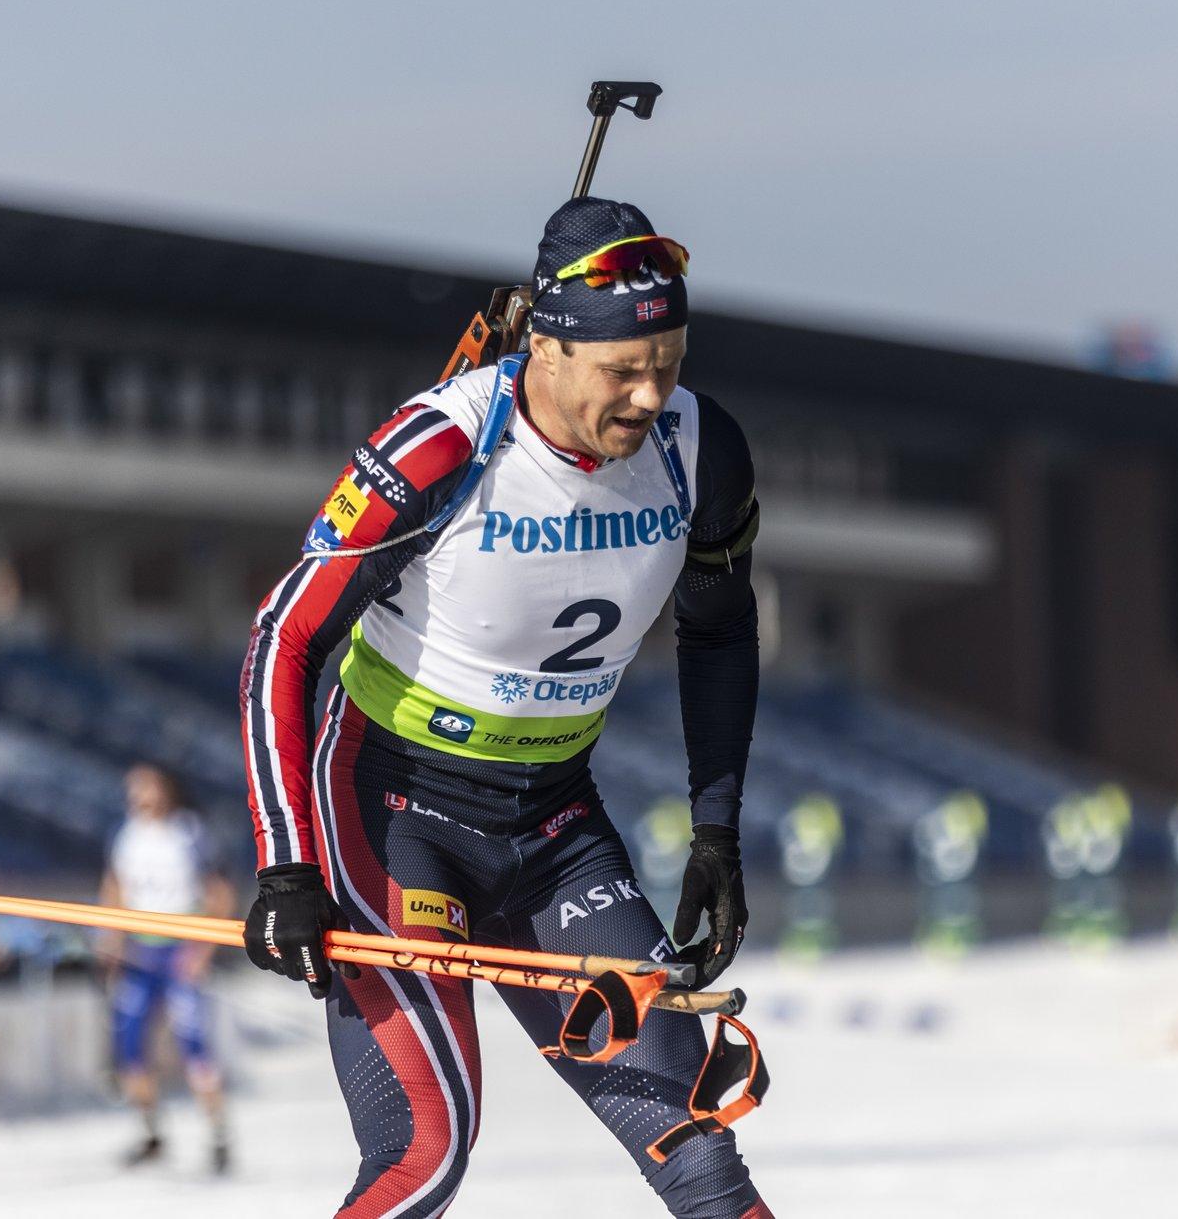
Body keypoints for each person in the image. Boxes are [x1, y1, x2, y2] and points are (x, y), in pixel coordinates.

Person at [239, 196, 770, 1219]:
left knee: (699, 1154)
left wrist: (715, 836)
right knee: (423, 1150)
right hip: (390, 812)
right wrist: (286, 864)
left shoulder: (702, 449)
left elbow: (717, 632)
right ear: (550, 348)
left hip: (552, 823)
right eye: (623, 368)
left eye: (668, 361)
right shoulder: (441, 445)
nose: (649, 393)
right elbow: (283, 635)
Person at [100, 761, 234, 1173]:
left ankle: (217, 1136)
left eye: (147, 789)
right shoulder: (126, 835)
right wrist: (112, 942)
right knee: (130, 1046)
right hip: (140, 953)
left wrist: (202, 950)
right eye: (134, 790)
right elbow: (115, 888)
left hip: (179, 948)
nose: (140, 798)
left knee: (194, 1046)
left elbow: (219, 892)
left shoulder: (189, 832)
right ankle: (150, 1131)